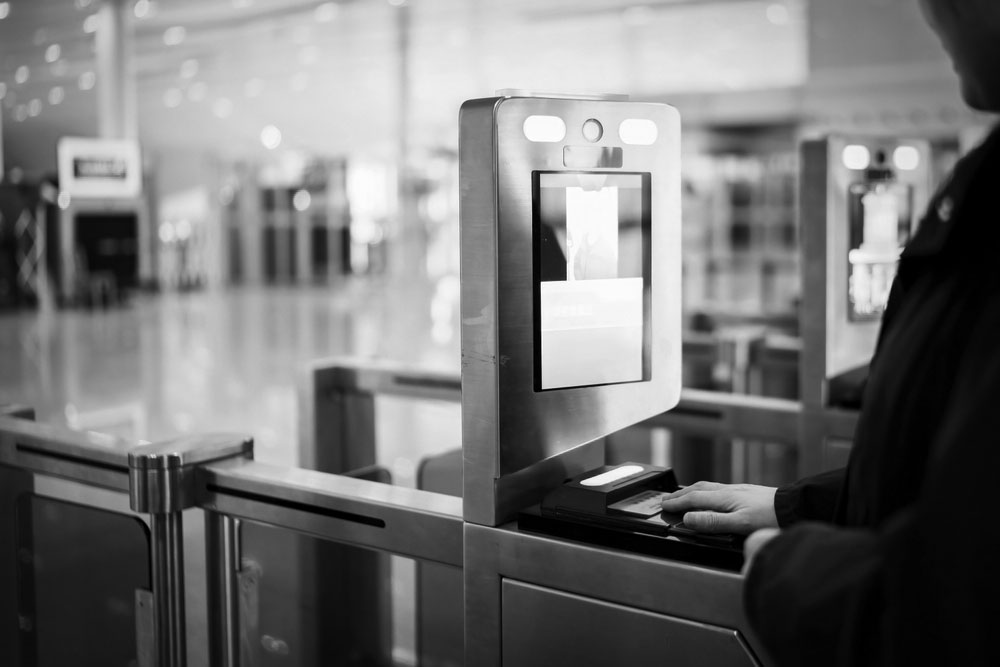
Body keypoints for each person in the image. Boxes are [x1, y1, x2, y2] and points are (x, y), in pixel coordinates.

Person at [661, 1, 1000, 665]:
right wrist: (800, 505)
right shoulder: (982, 187)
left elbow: (960, 602)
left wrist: (791, 571)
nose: (929, 12)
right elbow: (948, 484)